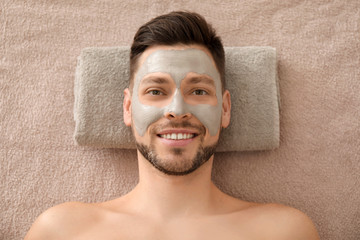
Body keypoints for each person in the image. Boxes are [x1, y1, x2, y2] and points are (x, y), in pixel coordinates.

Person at [25, 11, 320, 240]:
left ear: (225, 109)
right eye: (156, 91)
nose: (177, 111)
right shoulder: (62, 231)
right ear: (128, 108)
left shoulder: (284, 232)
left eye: (199, 91)